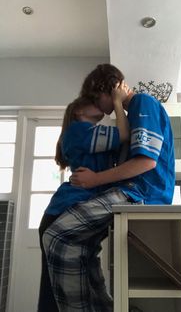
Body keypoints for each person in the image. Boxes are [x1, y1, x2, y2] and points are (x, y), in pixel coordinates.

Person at [43, 63, 175, 312]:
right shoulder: (130, 113)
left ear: (109, 89)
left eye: (96, 96)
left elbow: (146, 162)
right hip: (133, 191)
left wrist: (95, 179)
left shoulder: (142, 103)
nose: (97, 104)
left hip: (140, 193)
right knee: (82, 248)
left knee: (56, 236)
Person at [38, 89, 129, 312]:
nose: (98, 101)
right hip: (64, 212)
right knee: (57, 290)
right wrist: (118, 101)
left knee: (84, 280)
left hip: (71, 210)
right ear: (79, 110)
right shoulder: (80, 131)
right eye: (92, 101)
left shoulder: (91, 132)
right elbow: (124, 135)